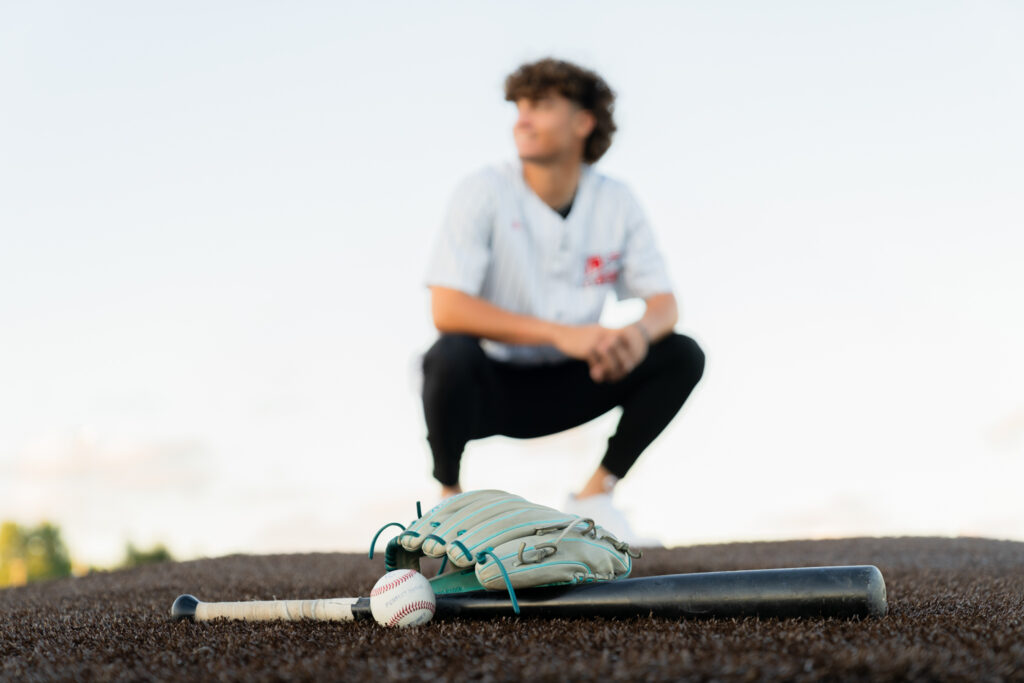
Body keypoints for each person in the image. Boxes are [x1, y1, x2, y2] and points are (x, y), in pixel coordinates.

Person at [420, 58, 705, 542]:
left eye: (542, 106)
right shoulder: (482, 190)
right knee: (447, 355)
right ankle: (450, 505)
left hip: (581, 381)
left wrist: (635, 335)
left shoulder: (616, 200)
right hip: (493, 386)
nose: (522, 119)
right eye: (520, 107)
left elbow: (664, 304)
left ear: (583, 121)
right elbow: (446, 309)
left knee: (681, 353)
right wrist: (563, 333)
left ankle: (595, 498)